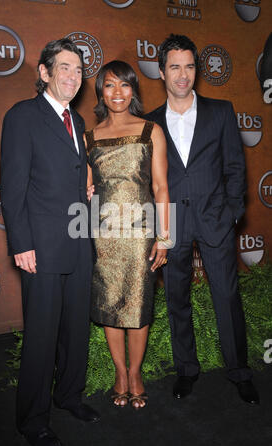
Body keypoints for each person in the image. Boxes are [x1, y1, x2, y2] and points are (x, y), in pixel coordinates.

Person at [145, 34, 259, 405]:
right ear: (162, 72)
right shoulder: (149, 124)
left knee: (226, 297)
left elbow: (234, 168)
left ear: (197, 69)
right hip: (171, 224)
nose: (183, 75)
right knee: (177, 299)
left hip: (214, 221)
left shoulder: (222, 111)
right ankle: (187, 370)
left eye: (190, 66)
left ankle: (239, 372)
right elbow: (148, 181)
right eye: (175, 66)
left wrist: (230, 216)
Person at [0, 38, 100, 446]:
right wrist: (21, 243)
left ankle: (69, 396)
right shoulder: (22, 116)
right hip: (40, 246)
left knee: (76, 328)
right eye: (64, 68)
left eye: (78, 70)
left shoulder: (76, 122)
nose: (73, 77)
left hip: (78, 241)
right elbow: (13, 185)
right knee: (42, 334)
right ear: (44, 72)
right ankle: (33, 420)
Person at [85, 60, 170, 409]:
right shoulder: (89, 137)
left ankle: (136, 373)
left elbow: (162, 187)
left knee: (137, 305)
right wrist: (86, 194)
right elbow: (86, 187)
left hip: (140, 232)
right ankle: (120, 373)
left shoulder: (151, 130)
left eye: (124, 85)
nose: (117, 92)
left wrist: (165, 237)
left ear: (134, 89)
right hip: (102, 233)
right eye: (109, 85)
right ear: (100, 92)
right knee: (109, 305)